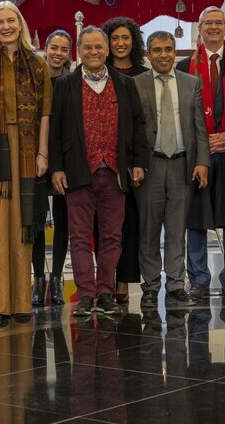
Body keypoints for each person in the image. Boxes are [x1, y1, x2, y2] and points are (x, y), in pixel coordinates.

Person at [49, 26, 150, 317]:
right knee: (79, 237)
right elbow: (55, 133)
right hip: (79, 172)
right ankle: (85, 295)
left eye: (98, 47)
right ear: (78, 52)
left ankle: (105, 292)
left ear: (106, 50)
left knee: (111, 237)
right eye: (87, 48)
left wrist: (140, 163)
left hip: (116, 173)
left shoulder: (124, 84)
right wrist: (57, 168)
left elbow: (139, 125)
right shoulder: (65, 85)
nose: (94, 52)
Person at [0, 1, 52, 324]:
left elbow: (45, 112)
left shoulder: (37, 64)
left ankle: (19, 303)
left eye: (10, 20)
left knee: (21, 227)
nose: (5, 26)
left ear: (20, 24)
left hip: (28, 151)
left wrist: (43, 152)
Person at [177, 6, 225, 303]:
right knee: (195, 218)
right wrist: (204, 139)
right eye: (208, 23)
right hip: (198, 151)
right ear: (200, 29)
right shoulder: (184, 66)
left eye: (219, 22)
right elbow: (180, 110)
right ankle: (198, 279)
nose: (214, 27)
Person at [133, 31, 209, 309]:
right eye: (157, 50)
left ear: (175, 52)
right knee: (149, 229)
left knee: (177, 230)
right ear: (148, 54)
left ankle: (176, 285)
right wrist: (134, 164)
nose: (163, 55)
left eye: (168, 49)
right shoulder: (136, 83)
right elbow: (131, 130)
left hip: (182, 164)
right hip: (149, 166)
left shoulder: (191, 83)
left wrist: (202, 161)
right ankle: (151, 286)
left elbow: (200, 127)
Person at [102, 16, 150, 304]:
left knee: (131, 225)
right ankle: (105, 279)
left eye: (125, 38)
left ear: (133, 41)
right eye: (115, 38)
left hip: (134, 163)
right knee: (106, 226)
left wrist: (139, 162)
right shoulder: (98, 72)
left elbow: (142, 122)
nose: (120, 44)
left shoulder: (143, 74)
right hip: (105, 161)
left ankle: (123, 281)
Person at [35, 29, 73, 306]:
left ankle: (57, 278)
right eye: (54, 47)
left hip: (63, 160)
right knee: (36, 222)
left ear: (69, 54)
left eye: (63, 49)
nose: (58, 53)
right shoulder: (35, 79)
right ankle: (38, 279)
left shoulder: (72, 82)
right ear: (45, 48)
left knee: (63, 222)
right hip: (36, 157)